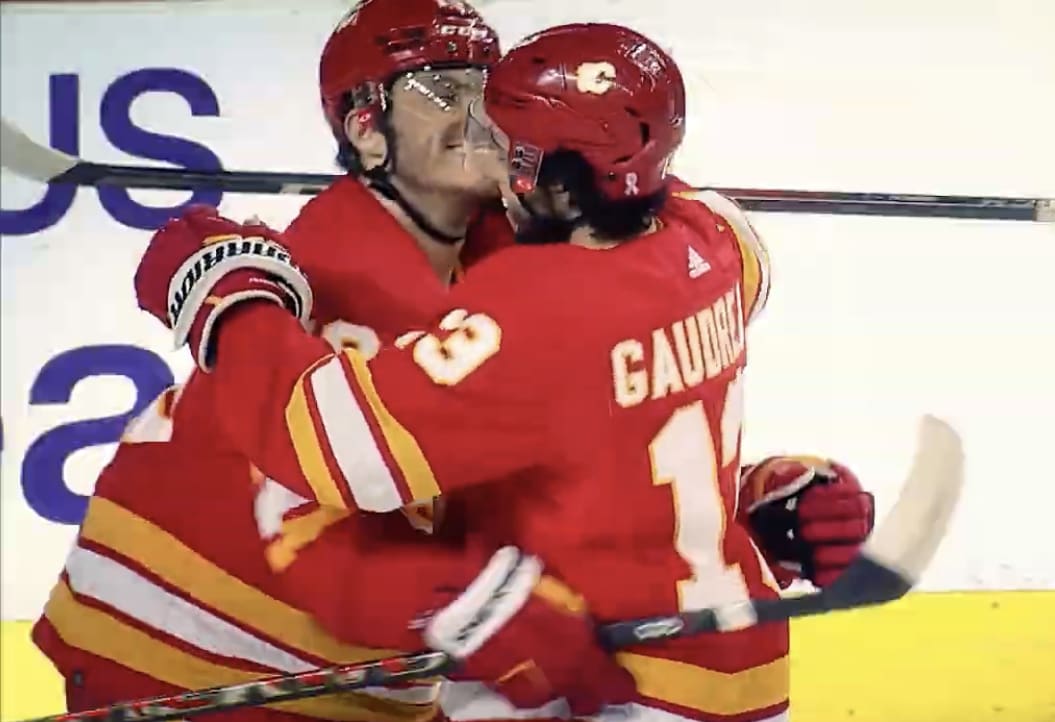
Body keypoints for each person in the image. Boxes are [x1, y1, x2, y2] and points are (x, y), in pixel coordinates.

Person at [134, 22, 875, 722]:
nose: (494, 160)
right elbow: (629, 423)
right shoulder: (717, 238)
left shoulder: (531, 311)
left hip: (615, 678)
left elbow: (326, 443)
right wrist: (758, 490)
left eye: (512, 148)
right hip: (739, 657)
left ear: (560, 179)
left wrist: (224, 297)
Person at [32, 1, 634, 718]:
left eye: (490, 87)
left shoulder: (504, 263)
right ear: (365, 131)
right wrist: (478, 605)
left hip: (332, 677)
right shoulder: (336, 283)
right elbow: (314, 535)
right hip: (183, 667)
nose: (484, 113)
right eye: (446, 90)